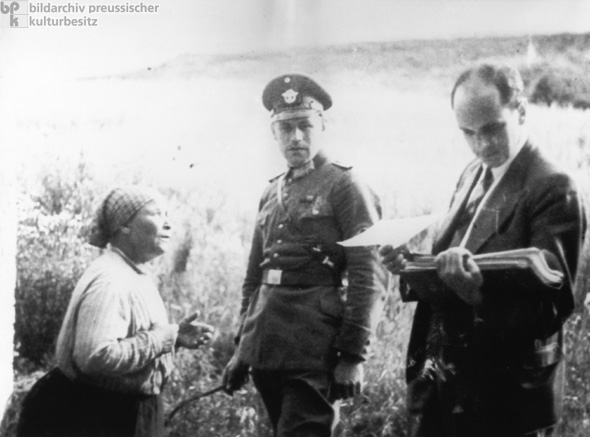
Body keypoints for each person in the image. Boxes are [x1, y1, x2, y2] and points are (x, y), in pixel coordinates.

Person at [380, 64, 586, 437]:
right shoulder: (471, 173)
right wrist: (409, 266)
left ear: (521, 111)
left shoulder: (554, 187)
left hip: (508, 399)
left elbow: (552, 308)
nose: (482, 145)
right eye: (468, 133)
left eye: (493, 129)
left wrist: (476, 294)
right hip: (447, 384)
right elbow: (453, 258)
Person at [222, 74, 386, 436]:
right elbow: (255, 277)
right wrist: (242, 349)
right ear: (273, 133)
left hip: (315, 348)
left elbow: (367, 273)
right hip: (267, 344)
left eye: (305, 126)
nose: (296, 137)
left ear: (323, 126)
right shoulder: (271, 192)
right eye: (286, 128)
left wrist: (353, 355)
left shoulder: (345, 186)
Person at [17, 185, 214, 437]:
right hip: (99, 416)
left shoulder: (130, 270)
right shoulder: (111, 280)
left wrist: (174, 338)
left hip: (116, 411)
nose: (168, 224)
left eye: (167, 215)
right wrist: (158, 340)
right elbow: (95, 357)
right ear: (124, 226)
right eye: (156, 214)